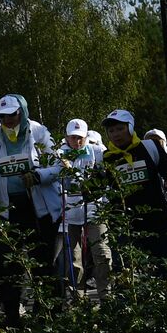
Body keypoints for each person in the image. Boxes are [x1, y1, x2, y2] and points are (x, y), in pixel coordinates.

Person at [0, 94, 60, 326]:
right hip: (5, 209)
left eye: (12, 115)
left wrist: (38, 176)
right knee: (3, 262)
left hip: (37, 208)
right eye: (3, 117)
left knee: (42, 262)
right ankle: (12, 314)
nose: (8, 120)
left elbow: (58, 166)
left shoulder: (39, 133)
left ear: (22, 112)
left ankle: (48, 313)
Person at [97, 110, 167, 260]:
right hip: (124, 226)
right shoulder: (106, 158)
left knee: (162, 268)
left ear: (130, 128)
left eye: (120, 129)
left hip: (156, 221)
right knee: (128, 273)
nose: (115, 134)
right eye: (111, 131)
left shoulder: (149, 147)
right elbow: (95, 187)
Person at [52, 118, 111, 298]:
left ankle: (106, 296)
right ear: (66, 137)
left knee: (101, 253)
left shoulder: (97, 152)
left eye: (80, 138)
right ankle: (78, 299)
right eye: (73, 137)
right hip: (70, 213)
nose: (77, 142)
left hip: (95, 209)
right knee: (74, 259)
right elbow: (53, 182)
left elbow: (108, 178)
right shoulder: (59, 154)